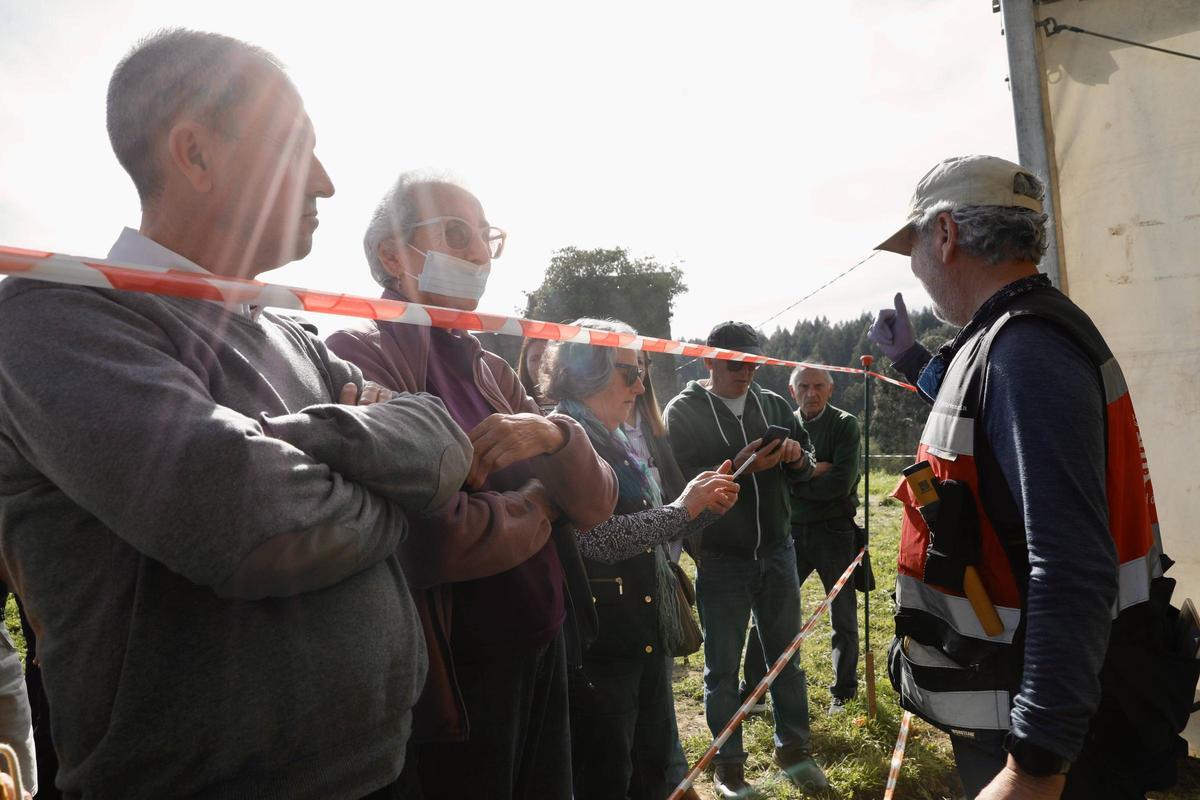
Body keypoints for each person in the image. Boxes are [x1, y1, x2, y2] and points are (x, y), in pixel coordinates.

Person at [0, 30, 473, 799]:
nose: (325, 181)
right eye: (298, 150)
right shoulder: (56, 318)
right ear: (195, 154)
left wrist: (308, 448)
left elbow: (445, 444)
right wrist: (394, 499)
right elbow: (254, 525)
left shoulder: (288, 331)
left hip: (381, 770)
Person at [869, 155, 1169, 800]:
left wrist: (1036, 763)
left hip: (1044, 728)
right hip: (1037, 694)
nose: (916, 270)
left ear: (945, 236)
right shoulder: (1011, 336)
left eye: (913, 248)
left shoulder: (1026, 349)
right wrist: (913, 361)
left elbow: (1072, 563)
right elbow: (984, 423)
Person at [325, 172, 618, 800]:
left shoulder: (485, 365)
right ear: (392, 255)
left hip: (548, 640)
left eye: (486, 237)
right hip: (462, 673)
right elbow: (432, 537)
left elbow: (595, 504)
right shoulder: (359, 351)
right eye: (455, 234)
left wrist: (559, 438)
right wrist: (543, 501)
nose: (480, 254)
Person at [542, 319, 739, 800]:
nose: (640, 384)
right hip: (602, 649)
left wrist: (701, 509)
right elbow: (600, 541)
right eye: (626, 372)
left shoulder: (613, 437)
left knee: (649, 774)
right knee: (608, 777)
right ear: (582, 372)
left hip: (638, 635)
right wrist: (682, 508)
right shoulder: (560, 439)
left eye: (640, 371)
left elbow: (650, 530)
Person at [663, 321, 830, 797]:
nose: (748, 372)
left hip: (778, 551)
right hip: (721, 558)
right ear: (709, 360)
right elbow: (683, 486)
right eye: (737, 363)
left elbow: (806, 466)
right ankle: (728, 767)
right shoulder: (684, 411)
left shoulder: (775, 403)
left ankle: (795, 752)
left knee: (787, 660)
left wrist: (797, 457)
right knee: (721, 669)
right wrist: (741, 464)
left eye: (755, 363)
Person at [743, 366, 862, 713]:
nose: (812, 392)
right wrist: (813, 470)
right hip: (789, 531)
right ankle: (753, 692)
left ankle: (844, 691)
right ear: (792, 391)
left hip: (835, 531)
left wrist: (797, 479)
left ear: (831, 388)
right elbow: (779, 480)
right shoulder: (784, 425)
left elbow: (841, 483)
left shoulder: (844, 425)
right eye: (805, 386)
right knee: (767, 613)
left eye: (819, 386)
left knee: (843, 615)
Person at [517, 336, 553, 411]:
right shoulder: (515, 406)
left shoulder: (575, 406)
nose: (541, 366)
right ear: (525, 364)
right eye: (534, 359)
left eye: (548, 357)